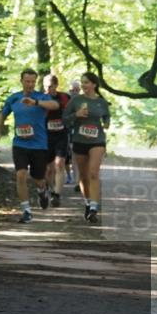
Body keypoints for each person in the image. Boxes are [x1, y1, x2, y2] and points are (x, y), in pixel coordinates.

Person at [0, 69, 59, 223]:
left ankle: (42, 191)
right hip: (20, 144)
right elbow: (3, 114)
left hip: (39, 145)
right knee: (21, 175)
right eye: (27, 81)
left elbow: (55, 105)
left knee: (38, 179)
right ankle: (26, 211)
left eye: (32, 82)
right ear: (21, 81)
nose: (30, 84)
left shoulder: (41, 97)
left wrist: (36, 102)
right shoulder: (14, 98)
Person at [63, 72, 111, 223]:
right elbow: (65, 120)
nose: (84, 85)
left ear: (94, 85)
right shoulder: (76, 100)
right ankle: (88, 202)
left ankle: (94, 208)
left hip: (97, 141)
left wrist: (106, 123)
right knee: (83, 176)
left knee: (93, 173)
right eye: (82, 82)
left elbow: (106, 116)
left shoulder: (101, 102)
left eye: (87, 82)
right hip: (79, 141)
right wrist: (76, 115)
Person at [42, 74, 70, 206]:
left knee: (60, 164)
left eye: (50, 86)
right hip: (45, 136)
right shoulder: (40, 98)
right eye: (45, 86)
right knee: (48, 169)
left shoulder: (64, 97)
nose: (48, 89)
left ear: (56, 85)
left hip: (61, 135)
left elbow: (72, 111)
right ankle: (48, 189)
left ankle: (57, 194)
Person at [65, 79, 81, 184]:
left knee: (76, 154)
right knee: (66, 155)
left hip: (78, 130)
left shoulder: (82, 100)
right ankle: (69, 175)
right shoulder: (64, 99)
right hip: (65, 129)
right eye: (72, 90)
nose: (74, 92)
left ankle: (77, 178)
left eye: (76, 90)